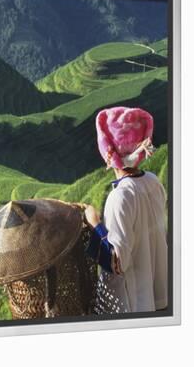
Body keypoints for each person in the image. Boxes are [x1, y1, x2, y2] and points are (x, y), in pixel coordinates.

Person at [82, 106, 167, 314]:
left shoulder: (119, 197)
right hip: (159, 295)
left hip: (133, 304)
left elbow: (117, 263)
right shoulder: (153, 182)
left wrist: (94, 224)